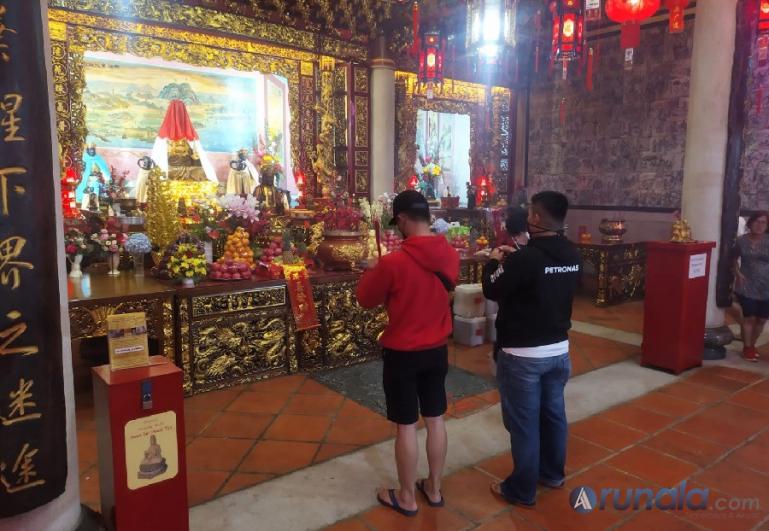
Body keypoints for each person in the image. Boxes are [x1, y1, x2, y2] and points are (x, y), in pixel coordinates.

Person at [356, 190, 460, 517]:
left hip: (402, 352)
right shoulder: (451, 254)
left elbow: (365, 298)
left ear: (401, 220)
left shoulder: (394, 262)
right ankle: (434, 487)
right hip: (437, 350)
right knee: (436, 419)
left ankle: (406, 496)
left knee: (405, 426)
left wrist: (373, 270)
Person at [481, 191, 581, 507]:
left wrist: (494, 262)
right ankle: (552, 473)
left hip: (523, 354)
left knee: (524, 422)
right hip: (558, 350)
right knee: (553, 415)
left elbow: (493, 288)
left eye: (530, 212)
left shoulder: (527, 258)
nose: (527, 216)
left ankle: (521, 489)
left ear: (536, 218)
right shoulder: (572, 253)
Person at [733, 211, 769, 362]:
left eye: (763, 223)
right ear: (750, 222)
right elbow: (733, 259)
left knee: (761, 319)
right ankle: (747, 348)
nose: (759, 225)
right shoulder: (741, 241)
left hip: (766, 285)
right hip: (747, 284)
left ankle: (752, 345)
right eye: (757, 222)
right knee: (749, 317)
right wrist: (738, 273)